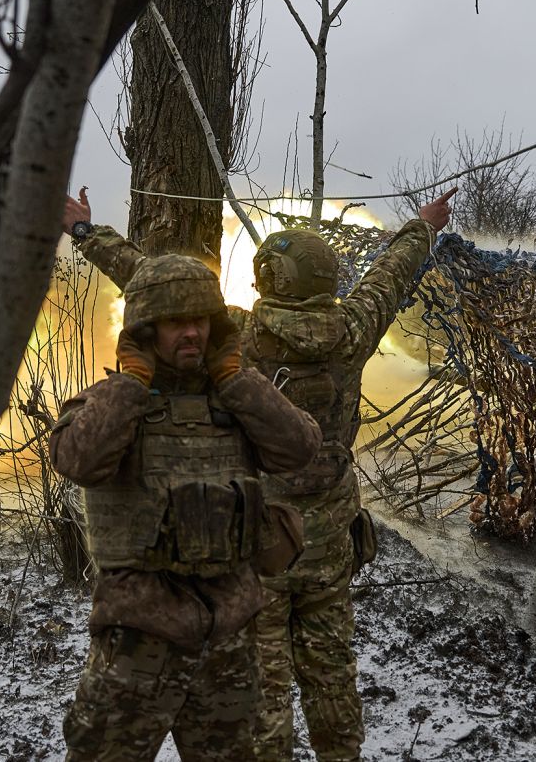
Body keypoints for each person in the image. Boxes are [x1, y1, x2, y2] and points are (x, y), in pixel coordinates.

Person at [63, 187, 454, 761]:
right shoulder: (354, 328)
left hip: (262, 540)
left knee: (265, 689)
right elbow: (389, 275)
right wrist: (424, 226)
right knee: (332, 673)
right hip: (330, 544)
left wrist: (86, 234)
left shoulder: (240, 336)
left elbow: (155, 281)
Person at [50, 252, 322, 761]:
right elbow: (77, 459)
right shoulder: (115, 401)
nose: (191, 333)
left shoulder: (236, 400)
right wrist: (131, 383)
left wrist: (238, 381)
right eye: (175, 322)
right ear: (146, 330)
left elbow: (300, 449)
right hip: (139, 639)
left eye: (199, 320)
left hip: (229, 637)